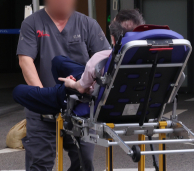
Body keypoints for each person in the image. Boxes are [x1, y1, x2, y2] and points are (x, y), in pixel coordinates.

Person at [16, 0, 111, 171]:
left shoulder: (87, 25)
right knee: (39, 160)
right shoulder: (33, 23)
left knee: (85, 158)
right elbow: (26, 60)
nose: (62, 0)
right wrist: (42, 95)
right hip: (43, 104)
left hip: (79, 105)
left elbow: (103, 59)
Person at [13, 9, 145, 116]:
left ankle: (56, 99)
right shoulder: (149, 59)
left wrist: (71, 83)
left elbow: (82, 87)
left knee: (18, 91)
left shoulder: (99, 59)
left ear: (113, 38)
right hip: (113, 88)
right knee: (59, 61)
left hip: (86, 94)